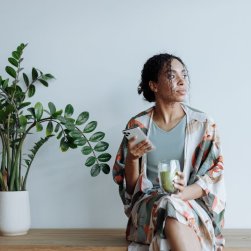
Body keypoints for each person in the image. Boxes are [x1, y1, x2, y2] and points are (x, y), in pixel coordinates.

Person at [113, 53, 226, 251]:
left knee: (171, 207)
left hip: (191, 204)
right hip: (149, 208)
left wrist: (182, 193)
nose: (182, 81)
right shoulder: (137, 126)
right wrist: (132, 158)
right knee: (168, 204)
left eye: (184, 74)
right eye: (172, 76)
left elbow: (213, 176)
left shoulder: (203, 124)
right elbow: (131, 190)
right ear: (154, 85)